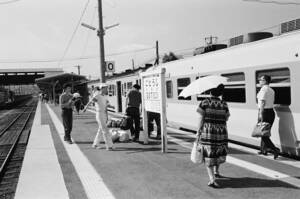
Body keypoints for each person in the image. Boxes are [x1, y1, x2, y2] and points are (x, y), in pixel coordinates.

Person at [196, 84, 229, 188]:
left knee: (209, 154)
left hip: (208, 131)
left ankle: (212, 179)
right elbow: (226, 117)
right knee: (218, 151)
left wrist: (198, 131)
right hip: (221, 131)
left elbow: (201, 118)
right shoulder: (224, 104)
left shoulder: (205, 102)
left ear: (210, 91)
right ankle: (216, 171)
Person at [84, 84, 114, 150]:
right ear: (102, 88)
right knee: (105, 130)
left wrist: (111, 106)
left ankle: (95, 144)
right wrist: (86, 107)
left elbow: (107, 104)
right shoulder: (97, 95)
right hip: (99, 114)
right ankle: (109, 146)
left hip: (104, 114)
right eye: (105, 88)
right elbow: (91, 101)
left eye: (107, 88)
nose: (107, 89)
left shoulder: (105, 96)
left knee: (100, 130)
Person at [257, 75, 280, 159]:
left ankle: (275, 149)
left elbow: (262, 102)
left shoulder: (263, 89)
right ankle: (264, 150)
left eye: (261, 79)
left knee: (262, 134)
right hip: (271, 112)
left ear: (265, 81)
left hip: (264, 112)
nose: (259, 81)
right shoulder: (271, 90)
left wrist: (260, 114)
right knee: (265, 132)